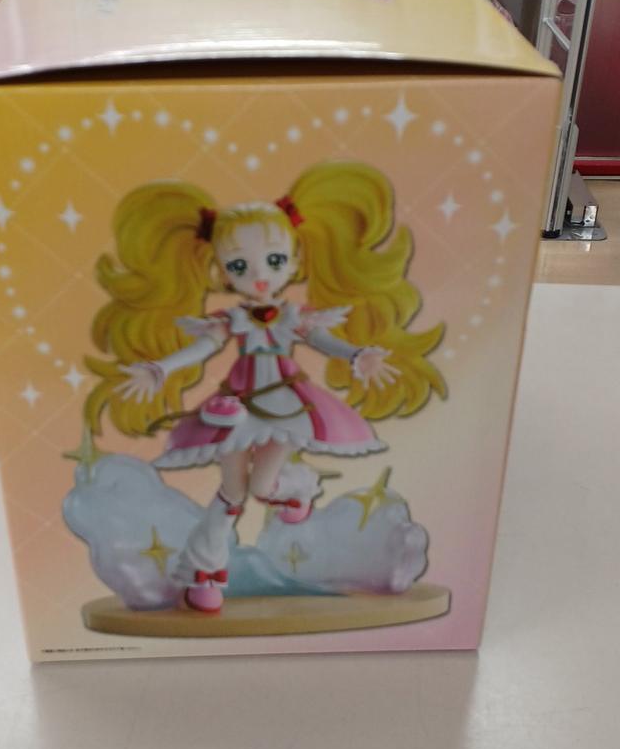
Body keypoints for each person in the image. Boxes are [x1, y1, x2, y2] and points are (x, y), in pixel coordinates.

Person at [84, 161, 446, 614]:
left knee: (261, 485)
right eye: (239, 265)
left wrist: (356, 355)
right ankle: (204, 574)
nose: (259, 275)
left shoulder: (293, 316)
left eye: (274, 261)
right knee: (231, 493)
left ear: (294, 262)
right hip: (237, 409)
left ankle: (294, 490)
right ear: (221, 272)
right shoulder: (232, 318)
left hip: (287, 407)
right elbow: (201, 348)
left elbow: (322, 339)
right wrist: (159, 368)